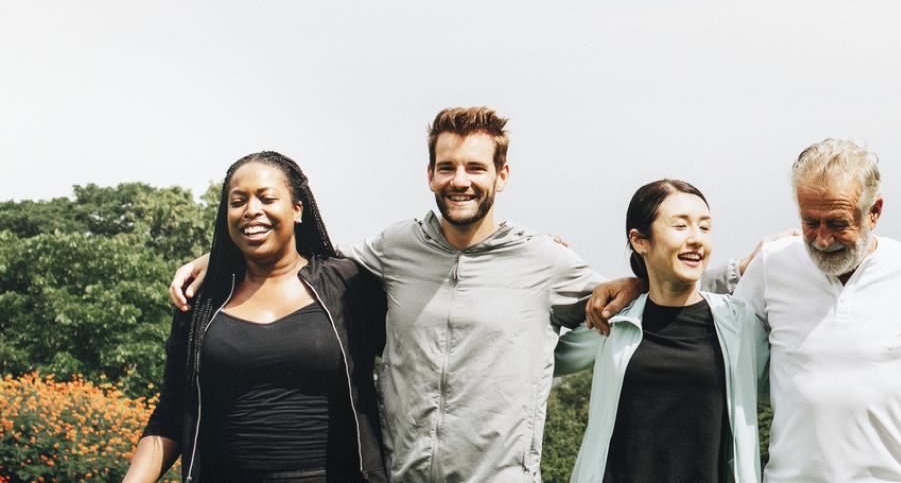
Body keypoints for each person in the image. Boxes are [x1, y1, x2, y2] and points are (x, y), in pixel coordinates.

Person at [173, 107, 606, 481]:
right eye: (447, 167)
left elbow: (616, 317)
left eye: (476, 168)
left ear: (502, 175)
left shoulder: (544, 260)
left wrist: (539, 359)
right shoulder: (396, 247)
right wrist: (218, 257)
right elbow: (312, 259)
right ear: (430, 174)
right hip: (401, 475)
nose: (460, 181)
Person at [588, 138, 901, 482]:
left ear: (874, 212)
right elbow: (707, 325)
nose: (821, 240)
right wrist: (641, 283)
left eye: (837, 223)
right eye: (809, 222)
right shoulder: (774, 265)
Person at [127, 152, 387, 483]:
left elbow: (416, 363)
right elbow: (171, 415)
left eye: (267, 198)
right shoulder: (202, 302)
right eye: (238, 202)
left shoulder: (348, 285)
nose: (251, 210)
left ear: (297, 209)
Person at [553, 179, 766, 483]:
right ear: (640, 241)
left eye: (704, 227)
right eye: (680, 226)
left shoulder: (739, 323)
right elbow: (540, 359)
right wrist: (540, 269)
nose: (696, 239)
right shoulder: (612, 321)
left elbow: (792, 381)